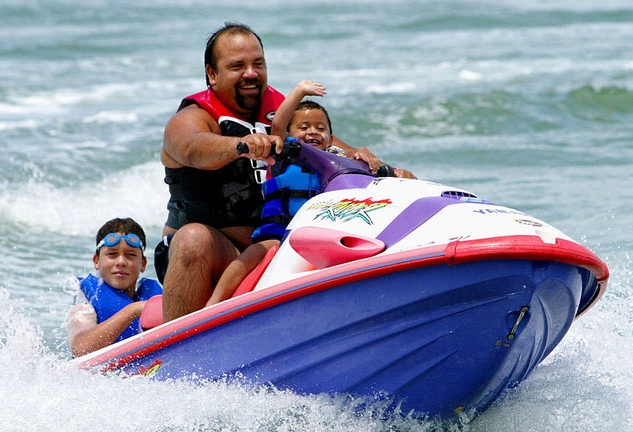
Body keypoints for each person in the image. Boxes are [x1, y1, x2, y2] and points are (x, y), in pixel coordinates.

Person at [157, 22, 413, 322]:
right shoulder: (191, 119)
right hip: (210, 254)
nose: (251, 73)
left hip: (278, 245)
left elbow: (337, 156)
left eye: (258, 64)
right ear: (212, 74)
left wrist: (386, 170)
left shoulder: (286, 117)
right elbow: (192, 148)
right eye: (237, 66)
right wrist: (241, 146)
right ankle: (178, 348)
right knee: (194, 238)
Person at [206, 80, 414, 307]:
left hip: (319, 237)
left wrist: (392, 171)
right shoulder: (282, 156)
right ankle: (213, 304)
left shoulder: (338, 165)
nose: (312, 132)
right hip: (279, 235)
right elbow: (278, 124)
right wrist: (299, 92)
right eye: (303, 128)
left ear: (331, 138)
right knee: (255, 253)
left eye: (320, 128)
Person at [66, 217, 162, 357]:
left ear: (143, 263)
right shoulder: (85, 306)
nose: (121, 262)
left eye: (130, 255)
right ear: (96, 261)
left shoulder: (154, 296)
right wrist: (133, 310)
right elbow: (81, 349)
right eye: (112, 254)